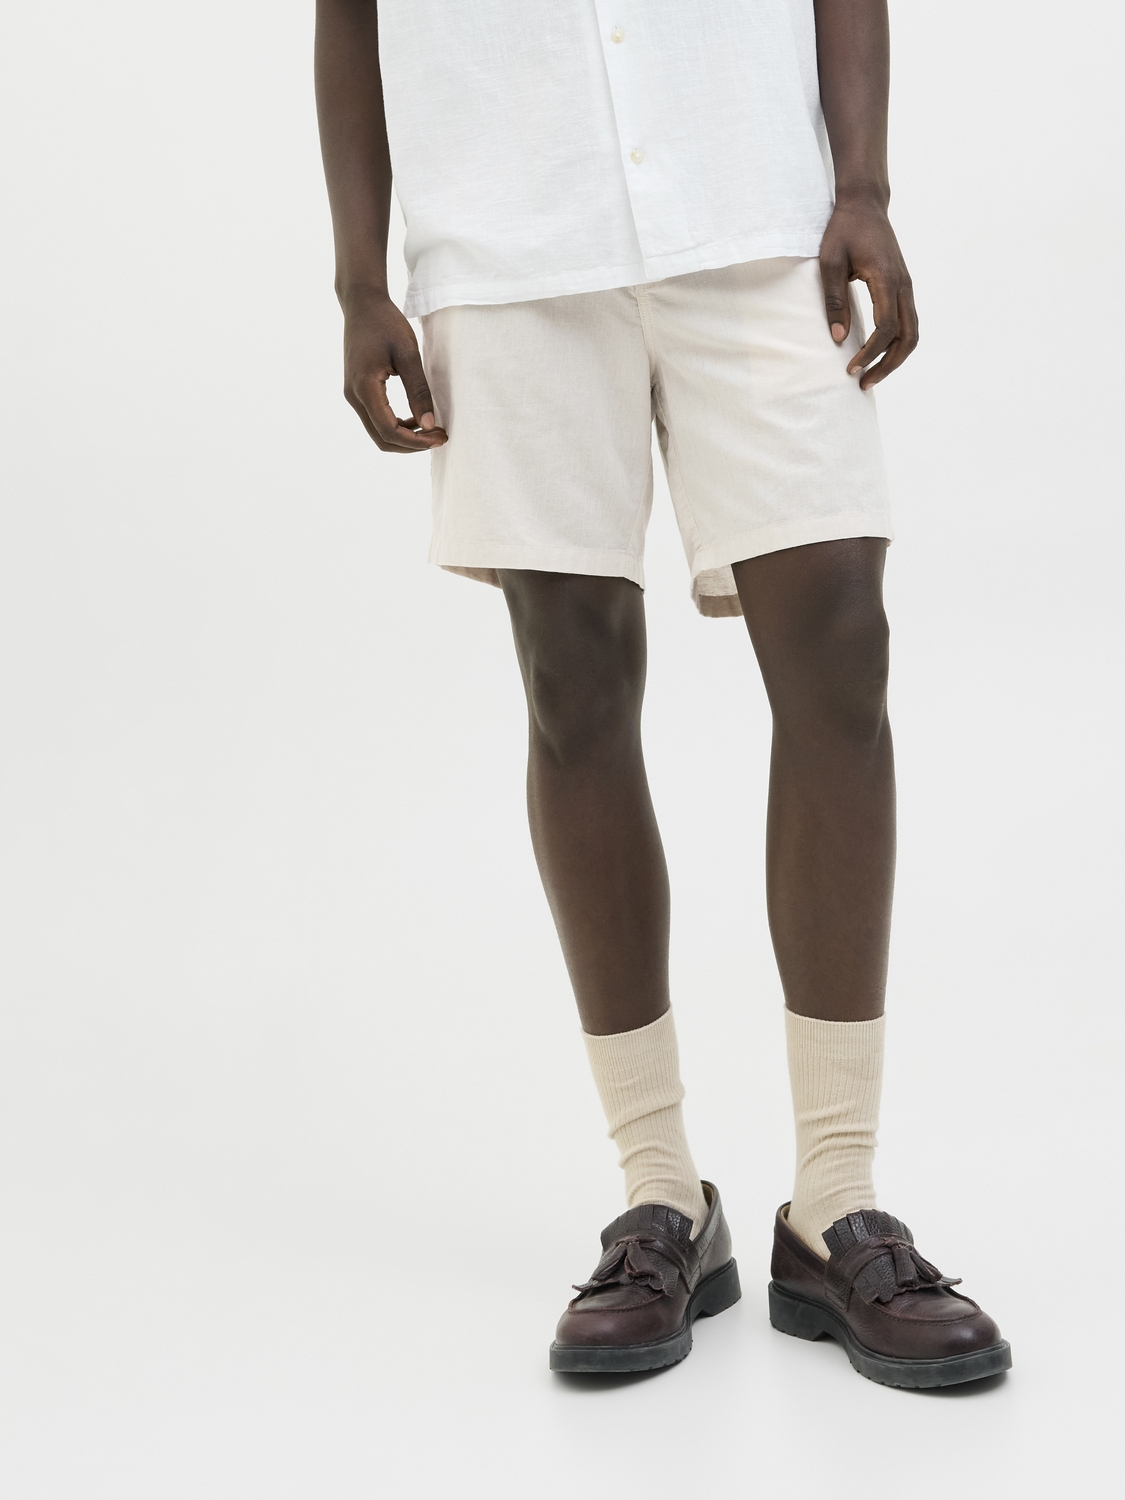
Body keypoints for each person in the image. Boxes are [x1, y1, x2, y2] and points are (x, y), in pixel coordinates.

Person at [314, 0, 1011, 1387]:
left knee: (840, 646)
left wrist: (865, 187)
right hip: (506, 236)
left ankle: (835, 1198)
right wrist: (356, 282)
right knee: (571, 685)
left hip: (753, 204)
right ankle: (659, 1196)